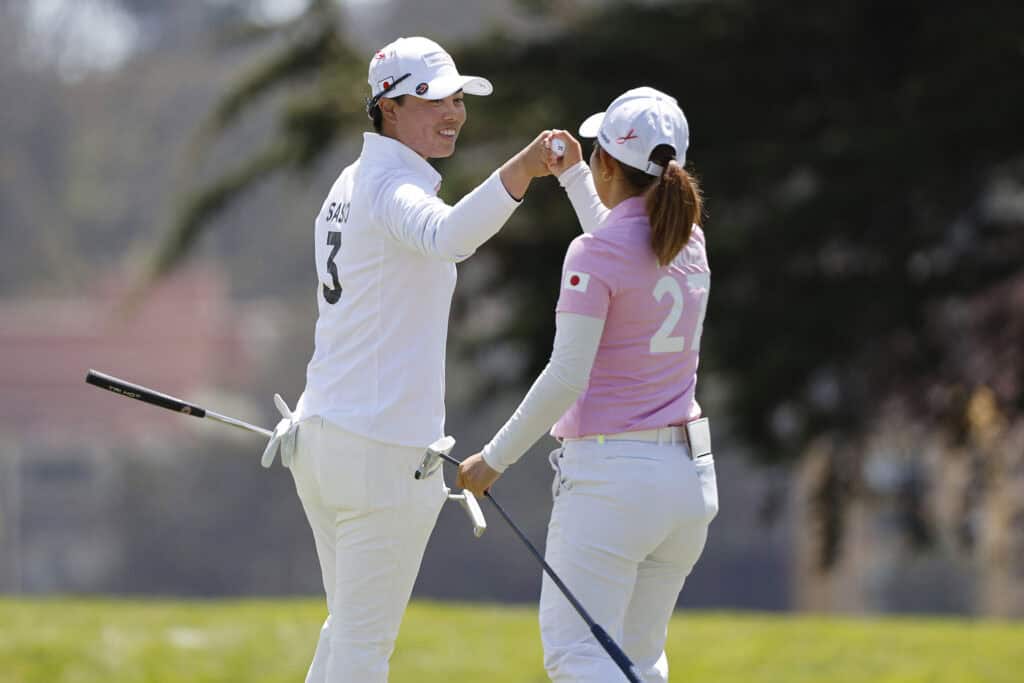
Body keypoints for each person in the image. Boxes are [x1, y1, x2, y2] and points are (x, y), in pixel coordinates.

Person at [259, 36, 551, 683]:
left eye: (456, 99)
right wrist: (523, 169)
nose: (451, 113)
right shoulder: (391, 185)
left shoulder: (349, 181)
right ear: (388, 107)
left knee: (348, 634)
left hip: (322, 443)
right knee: (363, 650)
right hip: (378, 452)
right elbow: (448, 237)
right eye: (431, 100)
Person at [458, 87, 719, 682]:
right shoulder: (691, 241)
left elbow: (566, 375)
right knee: (639, 663)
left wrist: (492, 461)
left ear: (608, 161)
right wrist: (576, 175)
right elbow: (619, 244)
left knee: (579, 658)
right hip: (687, 482)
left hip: (614, 486)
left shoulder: (595, 252)